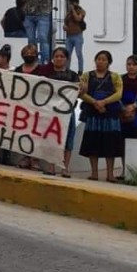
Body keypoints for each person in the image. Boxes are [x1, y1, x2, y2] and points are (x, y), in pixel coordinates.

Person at [79, 50, 124, 182]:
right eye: (98, 59)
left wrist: (104, 102)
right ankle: (94, 173)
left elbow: (119, 94)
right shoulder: (86, 76)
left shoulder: (115, 77)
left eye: (104, 59)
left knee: (110, 143)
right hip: (93, 113)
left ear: (109, 62)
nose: (100, 62)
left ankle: (110, 174)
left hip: (110, 114)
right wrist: (95, 102)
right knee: (93, 141)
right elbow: (80, 92)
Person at [43, 47, 80, 177]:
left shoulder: (73, 75)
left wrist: (84, 88)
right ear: (53, 58)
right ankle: (51, 166)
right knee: (51, 139)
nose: (59, 59)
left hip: (68, 113)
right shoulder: (47, 75)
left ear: (66, 59)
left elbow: (79, 93)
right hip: (51, 112)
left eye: (62, 56)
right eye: (56, 56)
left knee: (68, 140)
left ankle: (65, 168)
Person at [14, 44, 44, 169]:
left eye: (32, 53)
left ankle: (35, 159)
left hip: (38, 106)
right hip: (23, 106)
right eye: (27, 53)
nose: (29, 55)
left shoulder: (42, 70)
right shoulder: (18, 70)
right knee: (23, 133)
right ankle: (25, 157)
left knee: (37, 134)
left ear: (36, 55)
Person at [20, 0, 55, 64]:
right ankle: (34, 60)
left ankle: (46, 61)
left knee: (42, 37)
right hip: (29, 15)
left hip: (42, 14)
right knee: (31, 39)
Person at [64, 0, 86, 73]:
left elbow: (78, 19)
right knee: (67, 54)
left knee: (78, 53)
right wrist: (65, 27)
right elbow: (65, 23)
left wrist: (73, 9)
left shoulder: (81, 11)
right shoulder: (68, 13)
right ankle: (66, 69)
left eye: (72, 3)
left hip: (78, 36)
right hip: (69, 36)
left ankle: (80, 70)